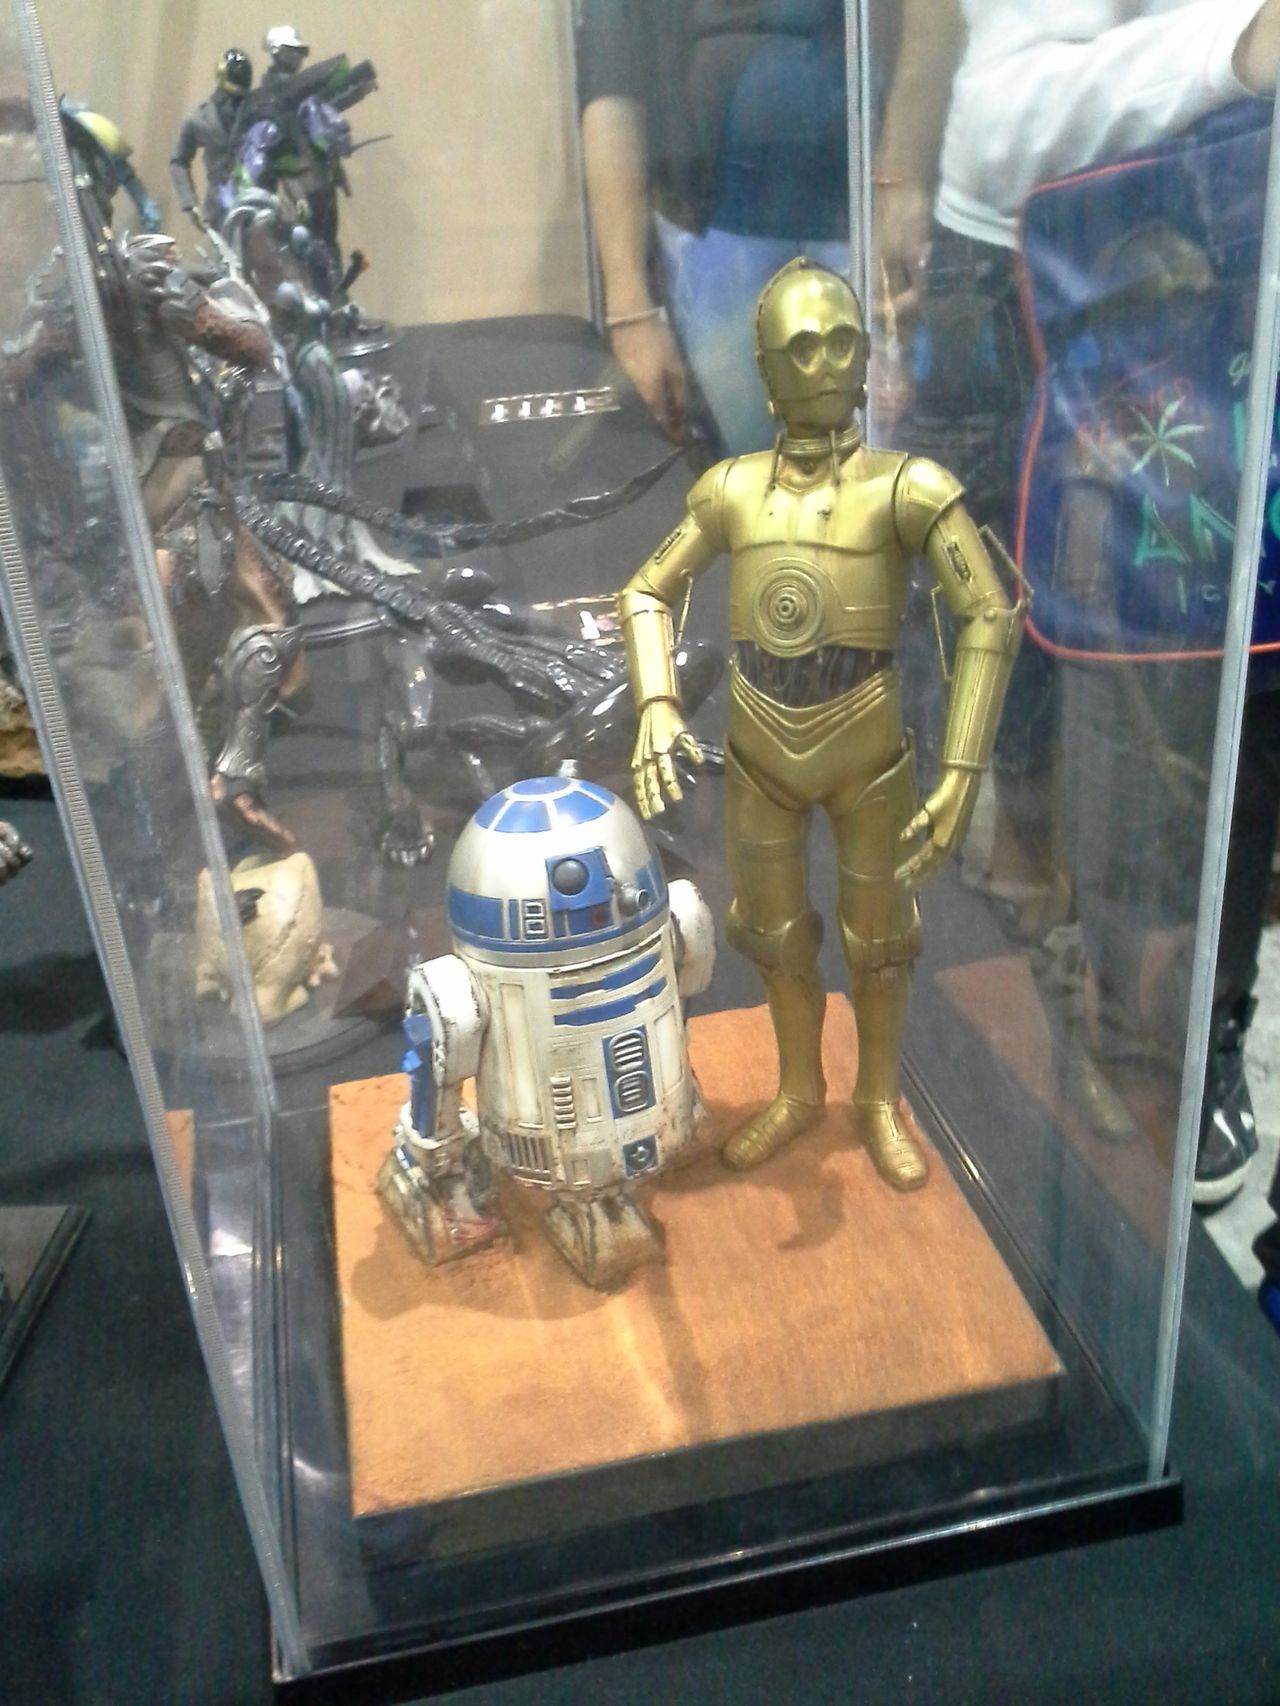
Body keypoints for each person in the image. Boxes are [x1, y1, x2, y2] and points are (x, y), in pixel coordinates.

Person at [873, 0, 1280, 1197]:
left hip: (1216, 296)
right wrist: (1233, 50)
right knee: (1057, 713)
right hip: (1057, 286)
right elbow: (993, 104)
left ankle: (1175, 1018)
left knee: (1229, 709)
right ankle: (1087, 1003)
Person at [578, 0, 850, 455]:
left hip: (858, 216)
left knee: (867, 471)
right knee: (749, 468)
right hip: (715, 234)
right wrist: (631, 315)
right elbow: (611, 85)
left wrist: (903, 185)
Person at [170, 48, 254, 233]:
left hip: (255, 204)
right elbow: (178, 161)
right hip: (218, 209)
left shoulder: (255, 111)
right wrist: (190, 202)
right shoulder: (199, 119)